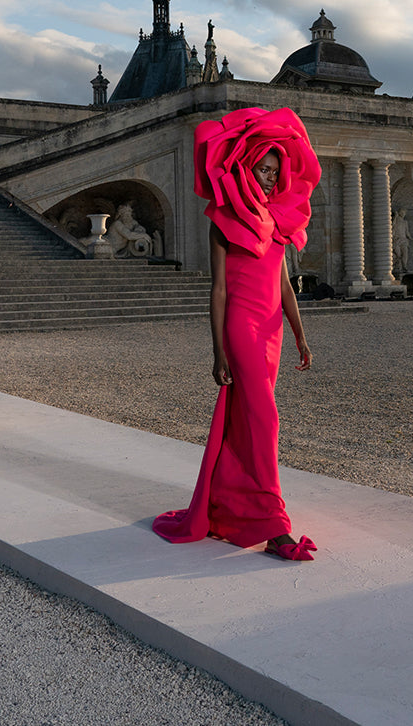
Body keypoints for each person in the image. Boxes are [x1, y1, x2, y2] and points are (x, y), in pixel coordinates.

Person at [151, 107, 319, 561]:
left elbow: (283, 283)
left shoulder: (280, 220)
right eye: (263, 169)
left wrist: (300, 334)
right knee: (266, 419)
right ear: (247, 166)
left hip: (271, 331)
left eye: (275, 171)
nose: (268, 178)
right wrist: (217, 350)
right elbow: (219, 288)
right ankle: (274, 524)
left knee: (247, 420)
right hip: (241, 326)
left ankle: (233, 503)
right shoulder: (222, 219)